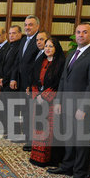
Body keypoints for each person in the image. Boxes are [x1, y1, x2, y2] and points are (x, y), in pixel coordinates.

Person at [47, 23, 90, 178]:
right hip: (66, 103)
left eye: (85, 32)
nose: (81, 35)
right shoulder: (71, 53)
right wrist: (58, 102)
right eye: (78, 32)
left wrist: (83, 108)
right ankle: (67, 166)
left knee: (80, 141)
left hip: (82, 106)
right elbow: (64, 79)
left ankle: (79, 174)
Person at [29, 37, 65, 167]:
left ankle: (47, 159)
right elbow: (33, 79)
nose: (47, 49)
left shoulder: (60, 63)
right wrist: (36, 94)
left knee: (47, 130)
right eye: (46, 46)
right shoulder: (40, 61)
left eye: (51, 46)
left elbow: (58, 83)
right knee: (37, 128)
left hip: (51, 101)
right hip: (37, 100)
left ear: (56, 48)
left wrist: (43, 96)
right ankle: (36, 156)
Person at [10, 15, 40, 150]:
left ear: (37, 26)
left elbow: (37, 65)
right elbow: (18, 61)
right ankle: (26, 135)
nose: (27, 27)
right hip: (20, 82)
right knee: (24, 110)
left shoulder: (39, 41)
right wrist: (13, 78)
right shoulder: (24, 40)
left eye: (31, 25)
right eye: (26, 25)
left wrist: (31, 84)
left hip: (31, 84)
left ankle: (31, 140)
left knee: (31, 112)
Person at [0, 25, 22, 135]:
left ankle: (14, 132)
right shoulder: (9, 46)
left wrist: (6, 78)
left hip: (11, 81)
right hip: (4, 81)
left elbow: (15, 66)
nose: (11, 35)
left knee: (13, 109)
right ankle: (7, 129)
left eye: (14, 33)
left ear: (20, 34)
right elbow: (2, 64)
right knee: (6, 108)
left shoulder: (19, 47)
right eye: (10, 33)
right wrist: (0, 77)